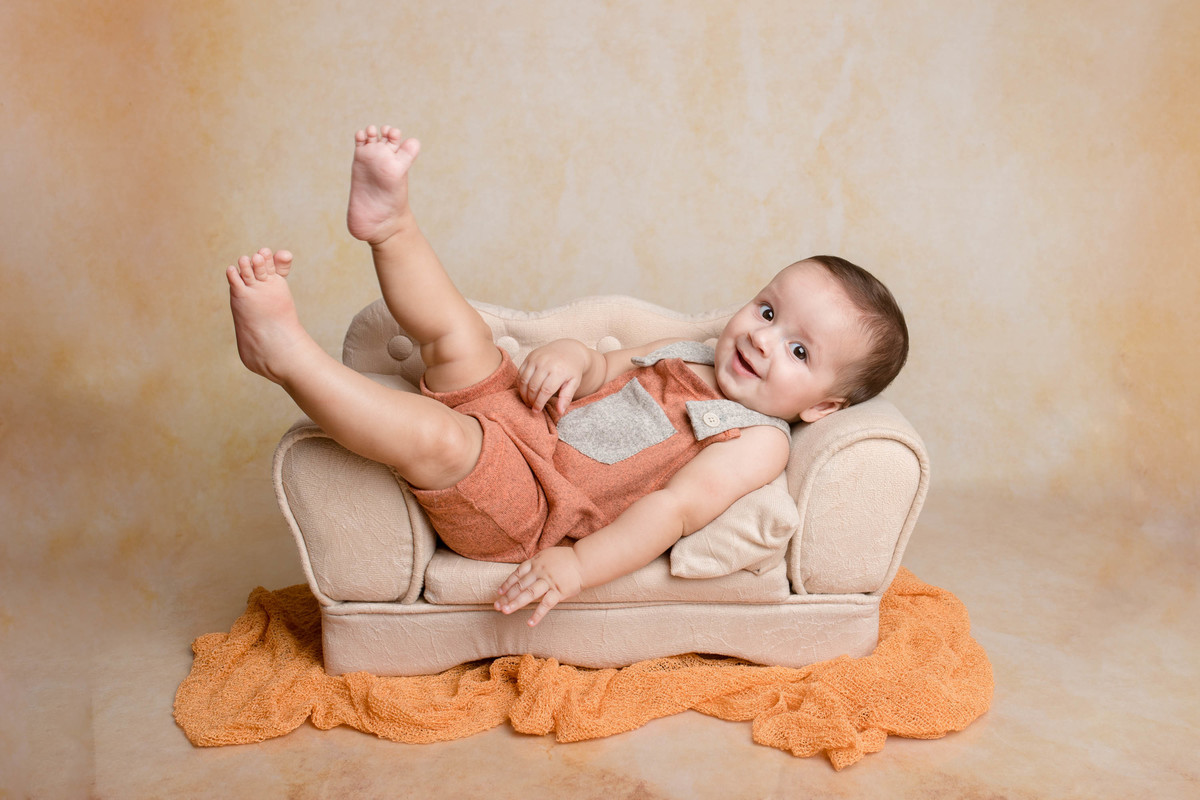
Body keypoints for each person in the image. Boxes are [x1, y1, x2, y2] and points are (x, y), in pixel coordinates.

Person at [225, 125, 908, 627]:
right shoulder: (697, 350)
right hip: (528, 417)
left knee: (436, 439)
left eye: (798, 352)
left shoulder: (760, 440)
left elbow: (673, 511)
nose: (762, 339)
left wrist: (575, 566)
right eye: (766, 310)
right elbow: (612, 364)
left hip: (535, 508)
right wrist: (573, 358)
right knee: (458, 334)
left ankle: (286, 356)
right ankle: (392, 227)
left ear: (823, 407)